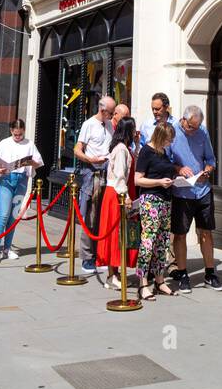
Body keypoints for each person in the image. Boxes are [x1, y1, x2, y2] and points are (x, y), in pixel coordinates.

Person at [169, 105, 222, 292]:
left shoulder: (202, 132)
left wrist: (207, 171)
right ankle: (182, 273)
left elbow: (211, 159)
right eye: (190, 127)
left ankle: (210, 273)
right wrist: (179, 169)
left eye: (196, 127)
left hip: (202, 190)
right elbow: (165, 161)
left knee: (206, 232)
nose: (193, 131)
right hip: (181, 192)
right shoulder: (172, 132)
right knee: (180, 233)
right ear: (183, 120)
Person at [0, 119, 42, 264]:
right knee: (3, 214)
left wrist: (32, 163)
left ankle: (7, 248)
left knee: (13, 215)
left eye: (20, 134)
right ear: (11, 131)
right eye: (15, 134)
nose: (18, 136)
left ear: (24, 130)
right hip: (6, 179)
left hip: (22, 180)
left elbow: (38, 162)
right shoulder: (4, 143)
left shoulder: (29, 144)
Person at [133, 124, 177, 300]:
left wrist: (174, 180)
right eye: (168, 139)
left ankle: (160, 281)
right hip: (151, 201)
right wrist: (159, 182)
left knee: (162, 242)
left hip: (166, 200)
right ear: (159, 137)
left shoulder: (163, 152)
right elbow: (138, 180)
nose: (170, 143)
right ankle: (142, 283)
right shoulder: (146, 151)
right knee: (148, 242)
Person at [73, 95, 115, 274]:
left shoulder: (110, 125)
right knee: (90, 214)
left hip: (108, 172)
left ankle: (100, 254)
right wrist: (90, 159)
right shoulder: (88, 124)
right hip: (92, 172)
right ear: (102, 110)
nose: (112, 115)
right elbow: (77, 149)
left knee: (102, 214)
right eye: (111, 112)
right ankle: (87, 257)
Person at [96, 116, 137, 289]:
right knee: (117, 233)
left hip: (114, 193)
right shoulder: (121, 150)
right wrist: (126, 196)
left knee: (118, 233)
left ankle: (114, 273)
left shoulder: (122, 148)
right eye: (133, 129)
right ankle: (112, 275)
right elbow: (120, 175)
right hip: (117, 194)